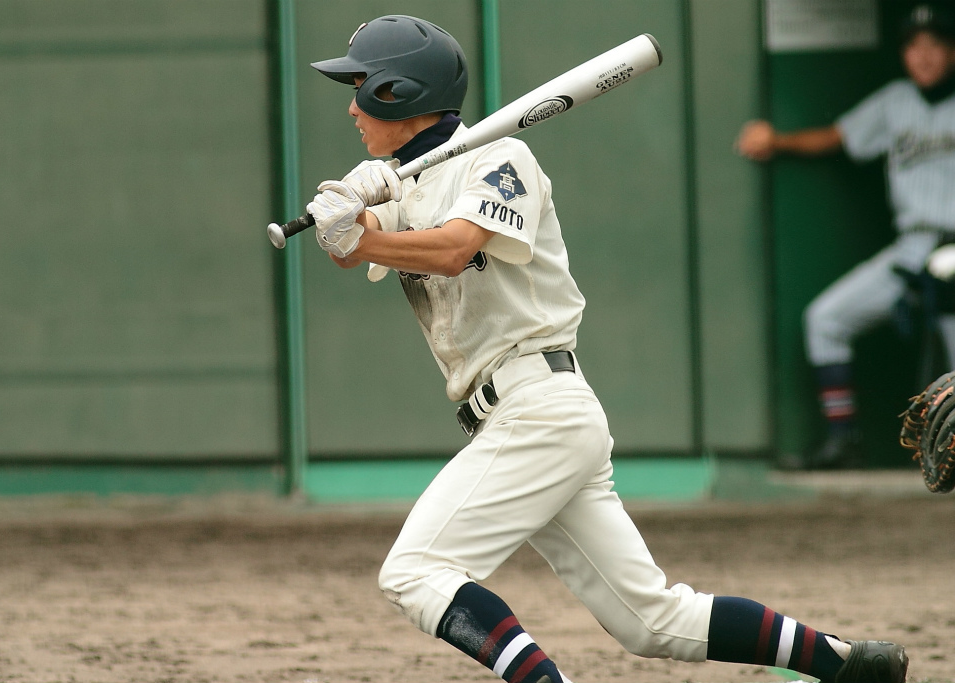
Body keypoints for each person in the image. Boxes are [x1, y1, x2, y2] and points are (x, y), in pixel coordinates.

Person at [304, 14, 909, 683]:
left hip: (539, 405)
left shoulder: (500, 159)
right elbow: (353, 241)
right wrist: (352, 202)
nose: (353, 106)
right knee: (651, 620)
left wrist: (361, 235)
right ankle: (850, 666)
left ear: (399, 93)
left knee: (414, 571)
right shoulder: (410, 182)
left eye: (361, 88)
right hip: (526, 416)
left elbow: (452, 249)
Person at [735, 2, 955, 469]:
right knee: (826, 320)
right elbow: (837, 136)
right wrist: (776, 141)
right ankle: (844, 439)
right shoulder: (896, 101)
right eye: (914, 47)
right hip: (913, 250)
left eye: (934, 45)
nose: (924, 56)